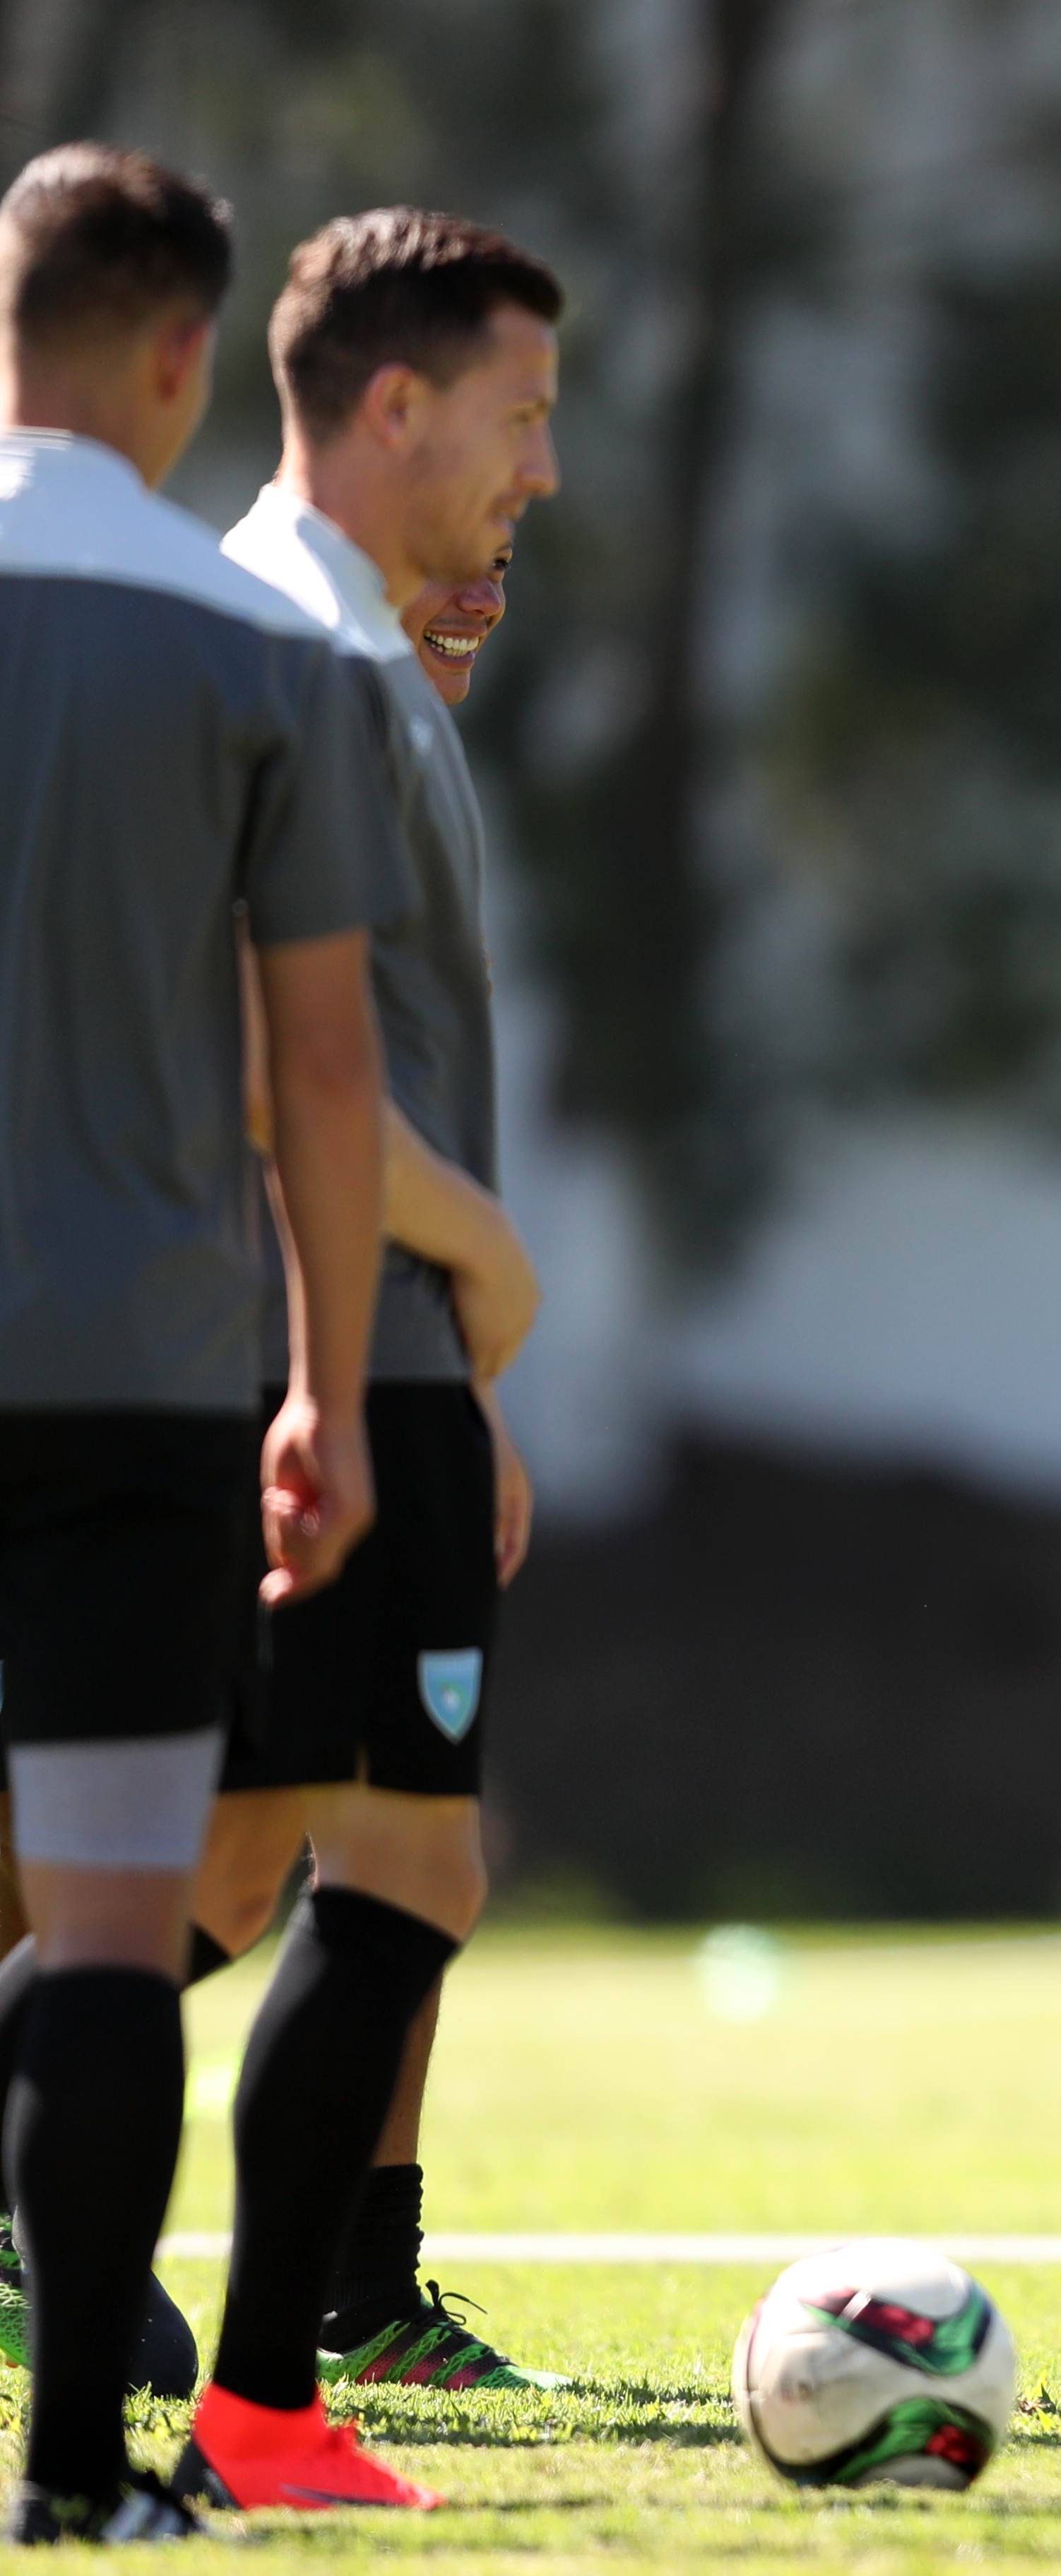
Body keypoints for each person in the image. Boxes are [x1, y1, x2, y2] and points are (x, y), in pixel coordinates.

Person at [0, 142, 402, 2540]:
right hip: (141, 1388)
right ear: (183, 355)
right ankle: (77, 2481)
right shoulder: (260, 655)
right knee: (114, 1927)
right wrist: (331, 1395)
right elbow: (326, 1073)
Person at [189, 213, 562, 2407]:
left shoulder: (354, 647)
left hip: (353, 1353)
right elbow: (256, 1057)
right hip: (280, 1354)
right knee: (394, 1858)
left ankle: (304, 2336)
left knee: (235, 1860)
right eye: (520, 416)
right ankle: (276, 2377)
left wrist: (442, 1355)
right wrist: (463, 1270)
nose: (541, 473)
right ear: (394, 404)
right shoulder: (282, 652)